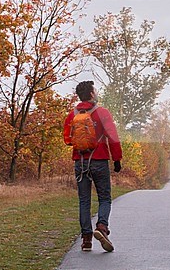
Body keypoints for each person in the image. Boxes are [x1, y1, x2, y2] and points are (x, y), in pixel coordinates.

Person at [63, 80, 122, 252]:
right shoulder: (102, 113)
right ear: (90, 94)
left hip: (80, 162)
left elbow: (67, 140)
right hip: (99, 161)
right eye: (95, 90)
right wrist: (116, 159)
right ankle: (102, 227)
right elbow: (113, 136)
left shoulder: (72, 115)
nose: (96, 93)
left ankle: (86, 240)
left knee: (84, 200)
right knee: (104, 198)